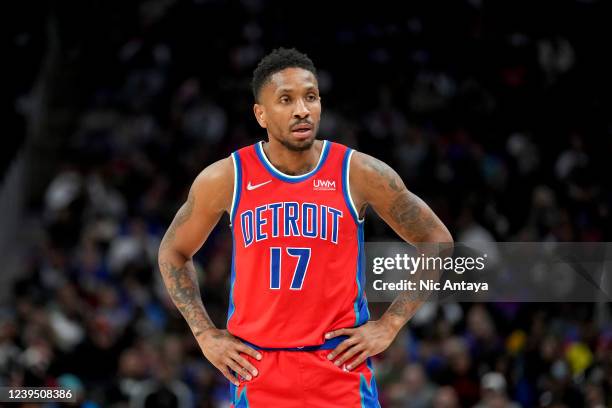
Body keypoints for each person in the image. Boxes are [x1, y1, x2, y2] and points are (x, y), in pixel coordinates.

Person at [157, 48, 452, 407]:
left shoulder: (358, 172)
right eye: (286, 99)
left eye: (310, 97)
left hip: (339, 367)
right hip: (258, 369)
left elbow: (436, 239)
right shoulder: (226, 178)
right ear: (260, 114)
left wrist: (389, 324)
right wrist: (204, 334)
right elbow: (174, 251)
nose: (302, 110)